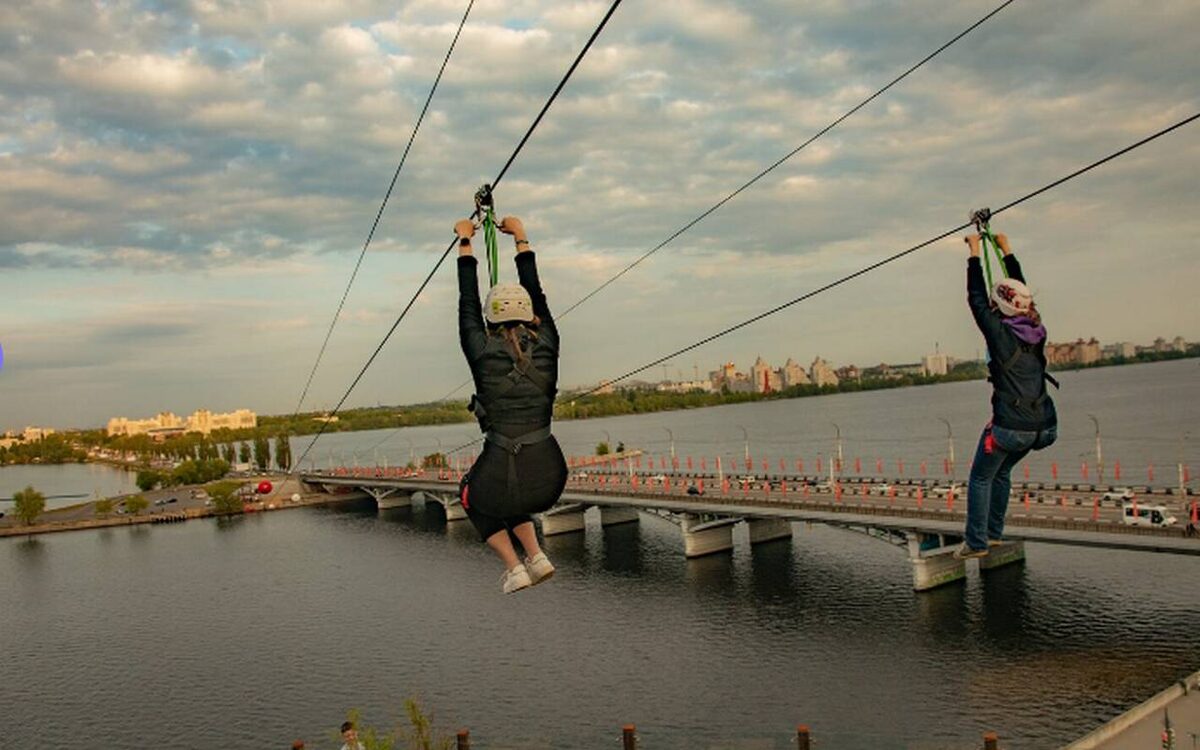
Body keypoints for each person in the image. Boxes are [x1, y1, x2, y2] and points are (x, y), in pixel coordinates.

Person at [454, 214, 568, 593]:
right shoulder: (549, 341)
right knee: (510, 486)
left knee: (472, 494)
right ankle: (536, 555)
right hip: (550, 478)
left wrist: (466, 241)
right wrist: (520, 236)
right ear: (530, 313)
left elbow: (467, 299)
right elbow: (537, 291)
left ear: (490, 318)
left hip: (503, 472)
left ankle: (514, 566)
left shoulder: (481, 349)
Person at [955, 231, 1058, 559]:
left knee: (980, 478)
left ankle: (976, 542)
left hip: (1012, 428)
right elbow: (1021, 293)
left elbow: (976, 299)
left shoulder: (1000, 335)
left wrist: (974, 254)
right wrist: (1006, 250)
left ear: (999, 307)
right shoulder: (1036, 331)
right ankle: (994, 534)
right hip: (1044, 428)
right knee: (1000, 471)